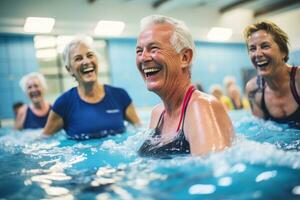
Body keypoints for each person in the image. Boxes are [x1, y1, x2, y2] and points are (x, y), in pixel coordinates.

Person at [136, 15, 234, 157]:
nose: (143, 58)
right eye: (139, 51)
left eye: (154, 48)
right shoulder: (157, 114)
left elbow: (212, 173)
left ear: (185, 58)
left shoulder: (201, 107)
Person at [43, 37, 140, 139]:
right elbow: (43, 140)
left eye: (90, 55)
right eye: (78, 58)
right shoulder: (63, 103)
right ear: (69, 69)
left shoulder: (120, 96)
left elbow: (139, 129)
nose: (86, 61)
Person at [244, 20, 300, 128]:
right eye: (252, 49)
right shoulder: (254, 90)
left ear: (283, 52)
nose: (258, 54)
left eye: (265, 46)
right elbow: (262, 133)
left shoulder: (298, 80)